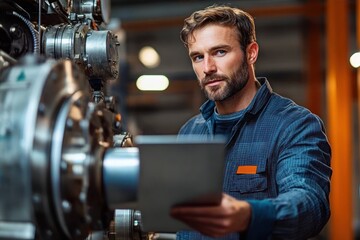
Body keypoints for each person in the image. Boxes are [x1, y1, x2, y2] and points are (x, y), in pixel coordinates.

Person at [170, 5, 332, 240]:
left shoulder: (295, 126)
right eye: (198, 57)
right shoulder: (189, 132)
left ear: (251, 53)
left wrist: (248, 215)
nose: (207, 68)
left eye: (220, 52)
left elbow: (309, 205)